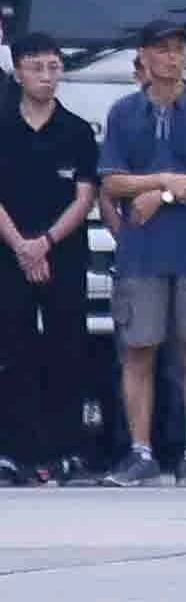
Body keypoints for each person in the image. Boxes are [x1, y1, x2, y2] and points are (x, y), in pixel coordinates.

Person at [97, 17, 186, 484]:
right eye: (162, 49)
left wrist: (167, 195)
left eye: (178, 49)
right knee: (138, 351)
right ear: (145, 58)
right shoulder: (122, 113)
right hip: (141, 253)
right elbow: (112, 179)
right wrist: (161, 180)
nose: (172, 57)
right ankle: (142, 452)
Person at [0, 27, 97, 483]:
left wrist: (45, 243)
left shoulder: (77, 130)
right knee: (12, 350)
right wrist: (20, 244)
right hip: (8, 254)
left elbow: (84, 197)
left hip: (64, 254)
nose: (46, 76)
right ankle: (13, 450)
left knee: (68, 350)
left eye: (53, 67)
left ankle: (65, 450)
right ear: (16, 72)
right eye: (35, 68)